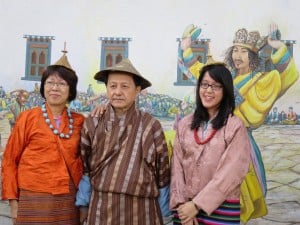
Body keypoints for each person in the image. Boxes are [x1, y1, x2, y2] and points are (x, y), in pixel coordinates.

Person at [178, 24, 299, 197]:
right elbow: (201, 72)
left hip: (240, 141)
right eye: (235, 50)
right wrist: (186, 48)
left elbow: (287, 77)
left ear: (252, 56)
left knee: (238, 194)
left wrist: (279, 48)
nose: (238, 55)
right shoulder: (226, 74)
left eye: (243, 51)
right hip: (215, 138)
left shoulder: (262, 79)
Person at [76, 58, 170, 225]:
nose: (117, 92)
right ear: (106, 89)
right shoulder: (93, 122)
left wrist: (164, 213)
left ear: (137, 90)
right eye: (113, 86)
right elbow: (85, 167)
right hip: (101, 209)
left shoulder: (151, 125)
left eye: (125, 86)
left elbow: (162, 173)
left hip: (142, 211)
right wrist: (83, 203)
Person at [1, 51, 85, 225]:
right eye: (50, 83)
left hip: (68, 200)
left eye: (62, 83)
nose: (55, 88)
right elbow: (9, 160)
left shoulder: (79, 121)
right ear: (43, 87)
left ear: (71, 90)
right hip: (32, 198)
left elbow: (88, 162)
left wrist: (84, 204)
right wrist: (13, 203)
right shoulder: (27, 118)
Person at [170, 63, 251, 224]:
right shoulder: (185, 124)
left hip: (221, 208)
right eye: (204, 84)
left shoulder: (235, 126)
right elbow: (176, 167)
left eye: (215, 86)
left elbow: (232, 172)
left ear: (226, 90)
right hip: (185, 211)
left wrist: (197, 204)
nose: (208, 91)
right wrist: (182, 205)